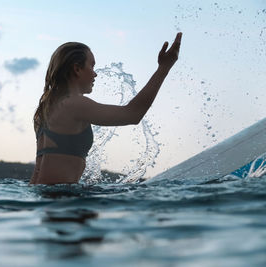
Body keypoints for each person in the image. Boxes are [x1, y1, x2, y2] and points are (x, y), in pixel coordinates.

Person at [30, 33, 182, 185]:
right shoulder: (75, 104)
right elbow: (133, 114)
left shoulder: (47, 107)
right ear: (77, 69)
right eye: (92, 65)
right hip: (60, 200)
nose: (95, 73)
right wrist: (164, 68)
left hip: (42, 197)